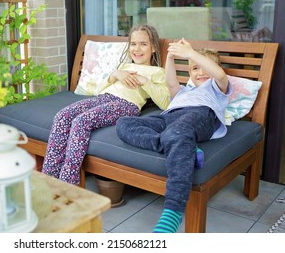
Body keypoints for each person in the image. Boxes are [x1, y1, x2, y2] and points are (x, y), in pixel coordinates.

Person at [116, 38, 231, 233]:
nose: (200, 72)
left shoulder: (217, 88)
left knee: (177, 132)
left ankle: (173, 212)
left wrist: (191, 53)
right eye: (194, 68)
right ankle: (182, 146)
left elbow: (218, 74)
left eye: (204, 67)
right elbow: (171, 82)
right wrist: (170, 56)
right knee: (124, 123)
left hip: (201, 115)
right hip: (170, 118)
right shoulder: (184, 91)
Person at [41, 24, 170, 185]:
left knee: (81, 122)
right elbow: (98, 89)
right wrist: (115, 74)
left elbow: (165, 102)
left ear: (153, 48)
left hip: (126, 104)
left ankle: (67, 184)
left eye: (143, 44)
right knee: (62, 116)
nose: (137, 49)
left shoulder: (157, 72)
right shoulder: (124, 66)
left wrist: (145, 81)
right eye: (133, 44)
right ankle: (48, 180)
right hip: (104, 97)